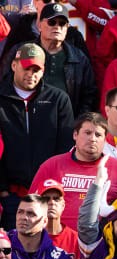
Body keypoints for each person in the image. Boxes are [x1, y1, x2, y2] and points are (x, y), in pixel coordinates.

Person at [0, 43, 74, 226]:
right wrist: (3, 191)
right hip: (10, 195)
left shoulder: (58, 99)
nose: (31, 74)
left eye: (36, 69)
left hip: (48, 195)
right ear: (14, 65)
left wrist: (54, 191)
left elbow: (65, 149)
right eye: (26, 68)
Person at [30, 2, 96, 116]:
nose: (57, 27)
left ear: (67, 29)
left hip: (66, 124)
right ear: (39, 25)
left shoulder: (80, 59)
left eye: (62, 24)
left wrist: (77, 124)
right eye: (52, 22)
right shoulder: (23, 52)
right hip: (29, 122)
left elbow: (89, 96)